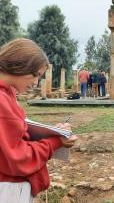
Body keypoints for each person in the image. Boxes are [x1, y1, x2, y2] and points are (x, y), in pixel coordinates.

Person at [0, 38, 78, 202]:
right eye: (35, 75)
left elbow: (13, 136)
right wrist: (55, 142)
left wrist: (50, 132)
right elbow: (17, 158)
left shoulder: (8, 94)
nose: (36, 82)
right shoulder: (2, 100)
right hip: (8, 189)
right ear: (18, 65)